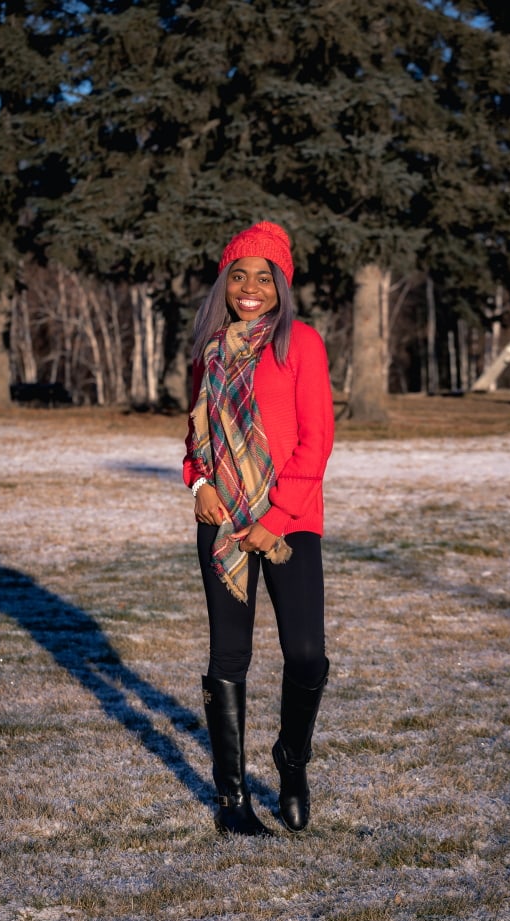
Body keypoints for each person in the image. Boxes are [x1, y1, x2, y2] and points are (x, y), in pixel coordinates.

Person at [183, 221, 334, 836]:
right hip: (223, 524)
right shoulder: (209, 350)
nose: (250, 288)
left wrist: (269, 521)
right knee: (229, 653)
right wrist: (200, 485)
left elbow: (316, 442)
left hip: (289, 522)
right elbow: (194, 440)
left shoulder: (301, 344)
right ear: (225, 282)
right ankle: (233, 803)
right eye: (238, 276)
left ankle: (290, 761)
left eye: (263, 277)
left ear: (281, 285)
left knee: (306, 653)